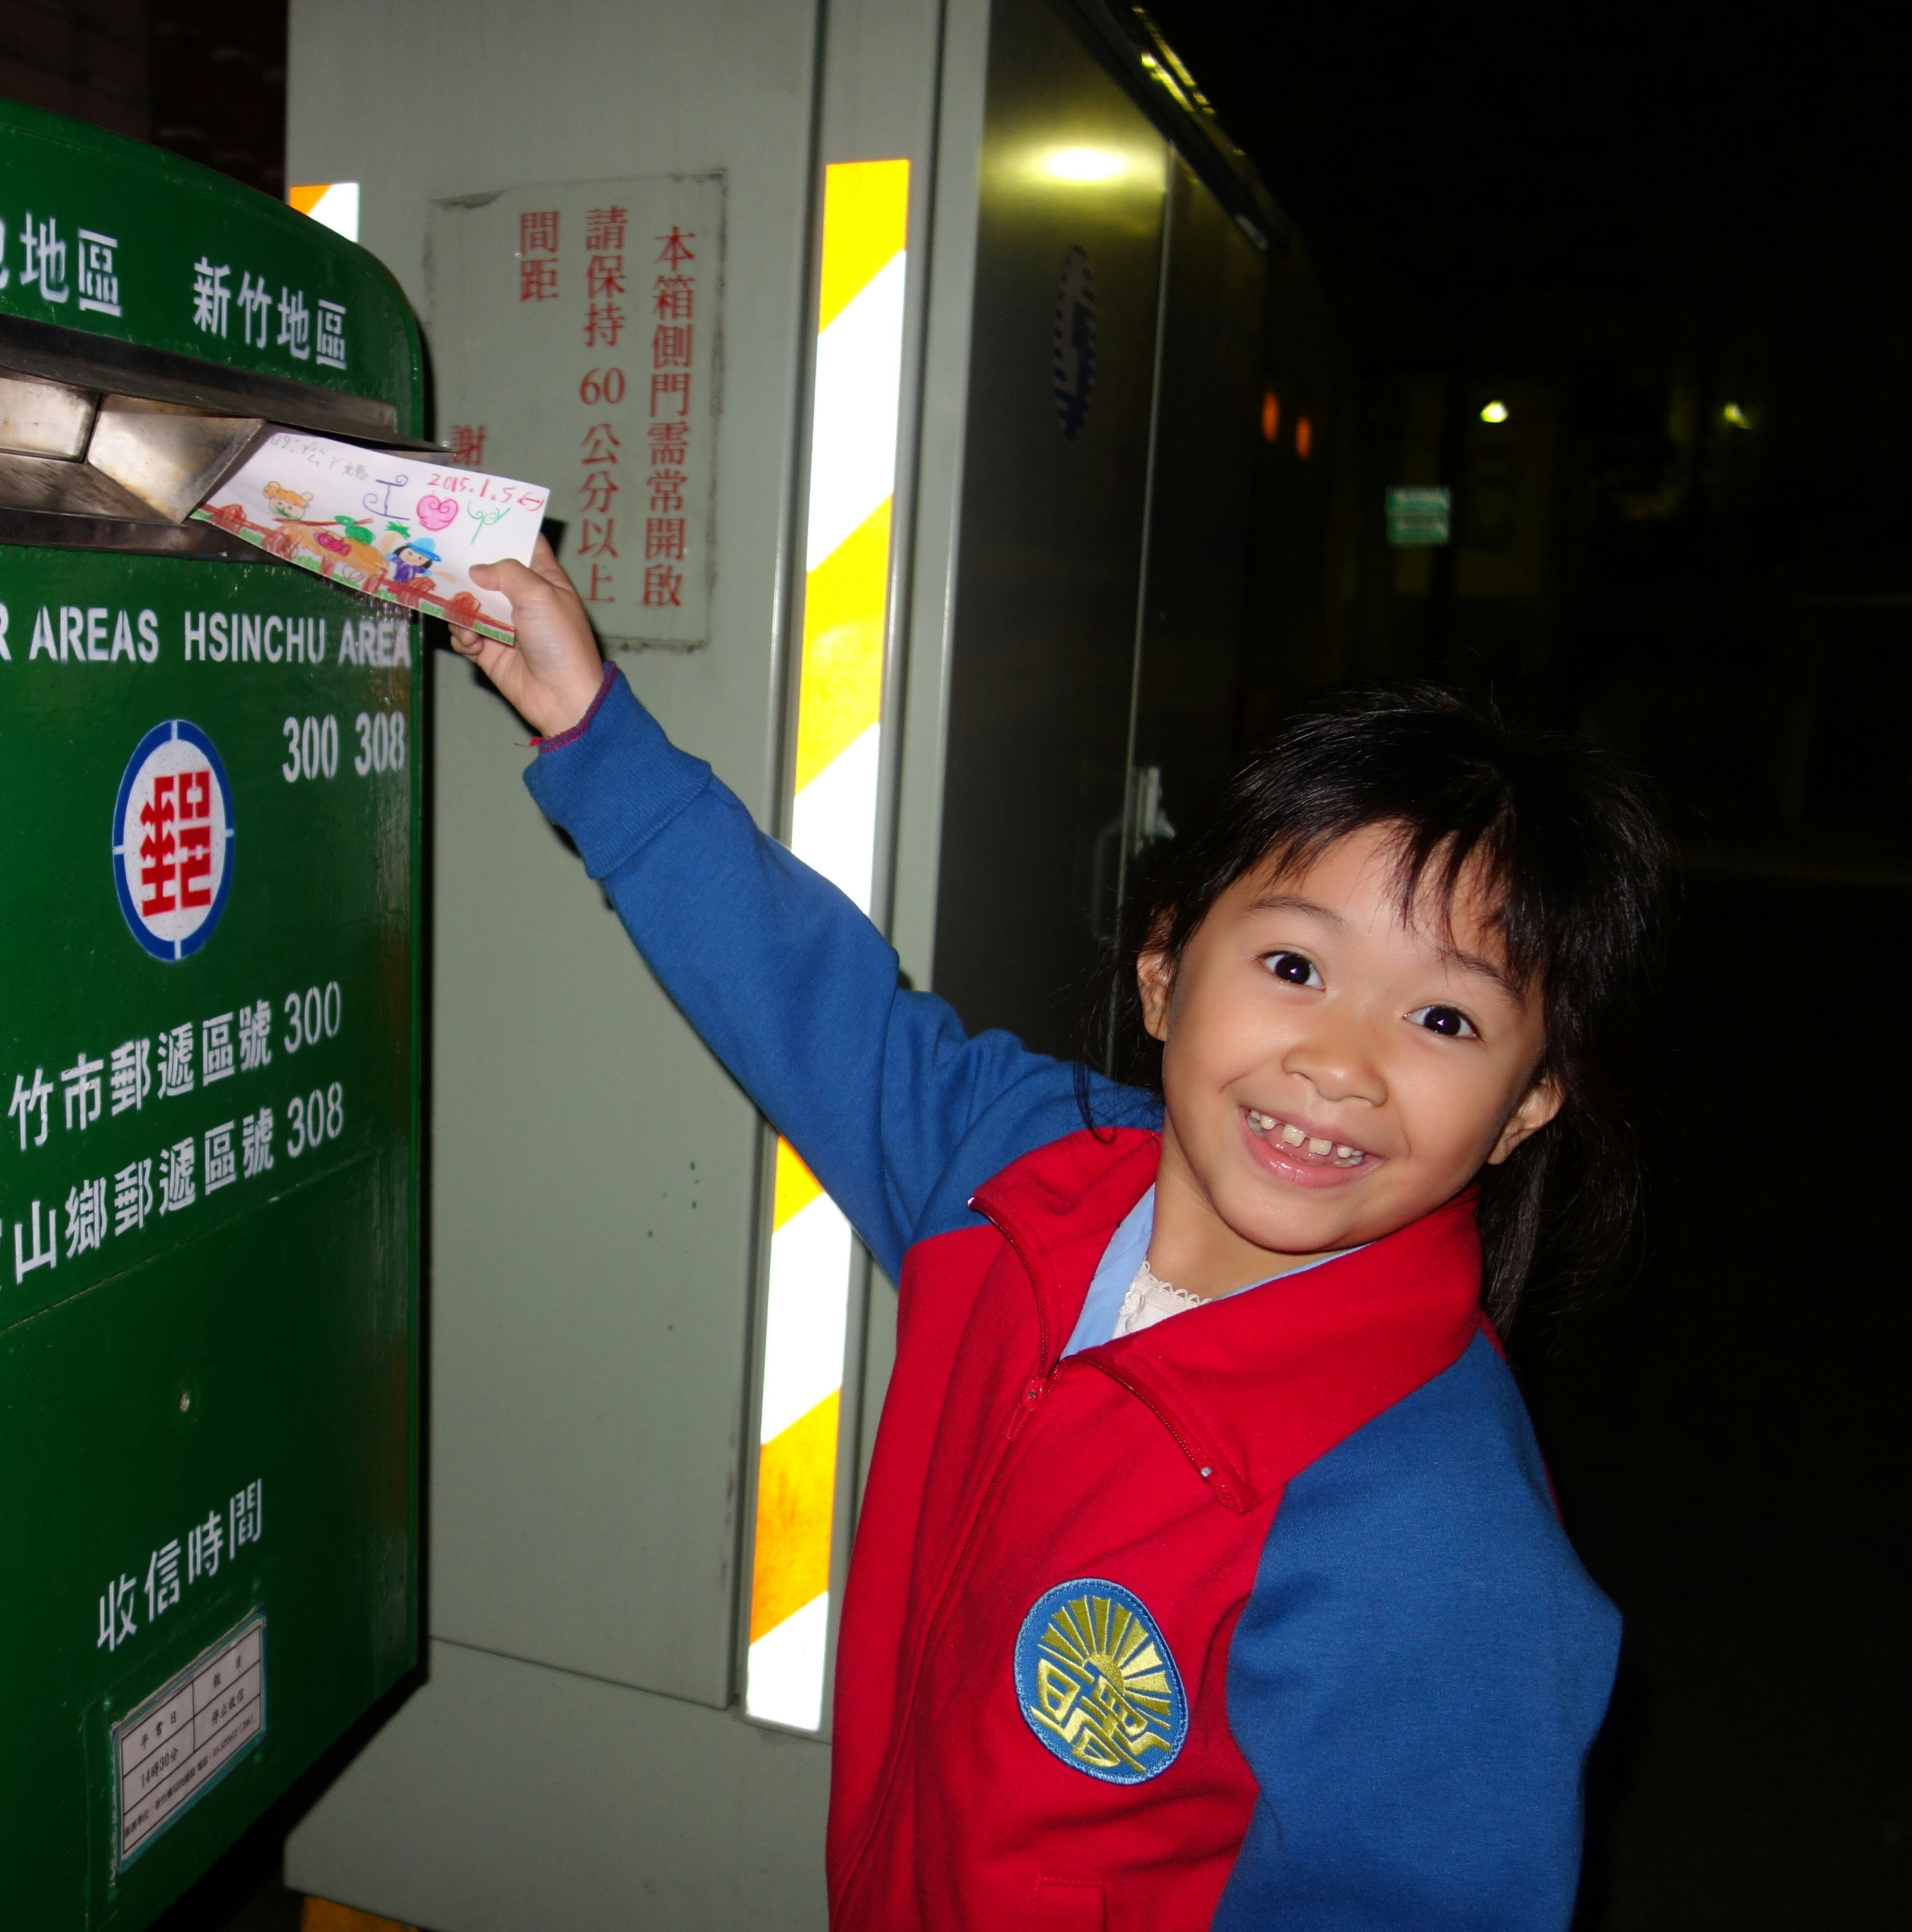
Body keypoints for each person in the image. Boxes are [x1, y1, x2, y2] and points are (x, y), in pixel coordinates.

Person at [454, 540, 1664, 1931]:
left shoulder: (1440, 1540)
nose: (1344, 1062)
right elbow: (815, 1005)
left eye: (1444, 1018)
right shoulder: (1019, 1180)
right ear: (1164, 969)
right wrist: (589, 725)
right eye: (1294, 966)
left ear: (1528, 1106)